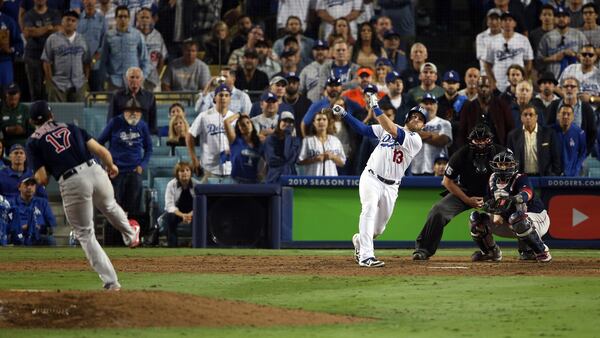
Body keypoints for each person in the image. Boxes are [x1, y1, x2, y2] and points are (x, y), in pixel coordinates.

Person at [26, 100, 140, 291]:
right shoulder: (71, 127)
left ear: (31, 121)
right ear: (51, 115)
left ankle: (112, 282)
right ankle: (130, 233)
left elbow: (43, 178)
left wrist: (39, 175)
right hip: (95, 170)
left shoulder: (33, 141)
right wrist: (111, 166)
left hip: (71, 180)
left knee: (86, 234)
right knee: (109, 205)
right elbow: (102, 151)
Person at [336, 92, 425, 267]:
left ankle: (360, 241)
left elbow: (392, 130)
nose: (416, 119)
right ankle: (366, 256)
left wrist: (375, 107)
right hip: (371, 177)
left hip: (392, 186)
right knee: (368, 209)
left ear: (423, 125)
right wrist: (345, 115)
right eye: (414, 116)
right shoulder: (389, 127)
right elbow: (364, 130)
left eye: (420, 119)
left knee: (378, 229)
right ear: (407, 118)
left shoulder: (416, 140)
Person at [413, 124, 504, 260]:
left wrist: (500, 201)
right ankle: (423, 250)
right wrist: (467, 199)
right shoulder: (462, 154)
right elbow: (447, 181)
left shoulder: (501, 152)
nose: (480, 143)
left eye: (484, 140)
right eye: (477, 140)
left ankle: (528, 249)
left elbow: (512, 178)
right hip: (465, 193)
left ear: (490, 140)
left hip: (493, 194)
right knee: (438, 210)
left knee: (517, 214)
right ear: (471, 140)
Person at [469, 150, 552, 262]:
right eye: (500, 164)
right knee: (476, 219)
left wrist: (512, 199)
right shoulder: (492, 179)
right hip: (509, 221)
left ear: (513, 165)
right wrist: (491, 209)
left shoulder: (520, 178)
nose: (503, 168)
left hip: (536, 219)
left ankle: (542, 251)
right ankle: (491, 252)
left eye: (506, 164)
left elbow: (527, 193)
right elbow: (490, 201)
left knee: (517, 218)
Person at [98, 97, 153, 219]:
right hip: (116, 172)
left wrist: (142, 165)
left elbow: (149, 149)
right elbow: (99, 143)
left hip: (134, 172)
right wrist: (106, 164)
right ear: (124, 112)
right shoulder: (115, 122)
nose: (134, 114)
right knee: (115, 207)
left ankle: (132, 234)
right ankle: (114, 235)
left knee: (134, 208)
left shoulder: (143, 126)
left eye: (137, 111)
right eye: (130, 111)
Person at [186, 84, 235, 184]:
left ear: (230, 98)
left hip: (231, 169)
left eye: (226, 95)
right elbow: (190, 135)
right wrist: (194, 159)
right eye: (221, 95)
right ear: (215, 98)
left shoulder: (234, 117)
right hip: (209, 169)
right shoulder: (204, 116)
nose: (224, 98)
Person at [41, 10, 90, 102]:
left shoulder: (82, 39)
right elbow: (46, 61)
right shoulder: (53, 39)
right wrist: (50, 81)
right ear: (62, 21)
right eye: (68, 20)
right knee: (59, 114)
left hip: (78, 84)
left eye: (73, 20)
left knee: (77, 115)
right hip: (58, 84)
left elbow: (86, 62)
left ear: (77, 24)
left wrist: (85, 80)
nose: (70, 22)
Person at [101, 5, 150, 89]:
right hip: (114, 82)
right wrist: (107, 77)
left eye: (125, 16)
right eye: (120, 16)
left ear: (129, 18)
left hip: (134, 83)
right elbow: (103, 60)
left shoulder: (137, 35)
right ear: (115, 18)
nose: (123, 19)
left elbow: (145, 59)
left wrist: (142, 77)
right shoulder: (109, 36)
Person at [483, 12, 533, 92]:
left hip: (519, 84)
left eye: (510, 20)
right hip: (499, 84)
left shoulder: (523, 40)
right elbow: (487, 64)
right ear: (501, 23)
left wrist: (525, 79)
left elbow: (529, 62)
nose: (507, 22)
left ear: (515, 23)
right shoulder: (493, 41)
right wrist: (492, 81)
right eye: (505, 20)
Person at [458, 76, 514, 147]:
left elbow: (510, 128)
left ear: (491, 88)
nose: (484, 89)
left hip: (497, 148)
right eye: (481, 86)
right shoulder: (468, 107)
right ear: (476, 88)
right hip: (475, 149)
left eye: (487, 86)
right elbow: (462, 131)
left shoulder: (502, 105)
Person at [507, 105, 562, 176]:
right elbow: (509, 158)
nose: (528, 117)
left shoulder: (548, 134)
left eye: (531, 114)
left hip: (544, 177)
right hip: (522, 177)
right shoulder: (513, 135)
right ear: (521, 117)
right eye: (525, 114)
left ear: (536, 117)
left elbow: (556, 157)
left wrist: (554, 174)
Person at [22, 0, 61, 100]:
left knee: (52, 91)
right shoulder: (28, 14)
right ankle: (36, 114)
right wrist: (48, 28)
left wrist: (36, 30)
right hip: (33, 57)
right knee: (35, 92)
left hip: (51, 58)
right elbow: (28, 33)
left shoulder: (54, 13)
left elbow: (58, 30)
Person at [536, 5, 588, 79]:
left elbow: (589, 55)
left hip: (577, 77)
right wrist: (553, 58)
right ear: (554, 19)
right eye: (558, 17)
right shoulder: (547, 37)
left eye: (564, 16)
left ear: (569, 19)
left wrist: (575, 54)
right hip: (553, 78)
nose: (561, 19)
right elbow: (539, 59)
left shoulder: (579, 35)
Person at [160, 162, 200, 247]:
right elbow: (169, 206)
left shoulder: (197, 185)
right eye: (182, 171)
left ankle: (196, 244)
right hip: (177, 213)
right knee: (169, 217)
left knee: (199, 216)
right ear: (177, 173)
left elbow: (200, 204)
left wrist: (190, 214)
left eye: (187, 170)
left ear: (190, 172)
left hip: (193, 212)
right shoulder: (171, 185)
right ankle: (172, 245)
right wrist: (183, 215)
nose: (185, 172)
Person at [107, 66, 157, 133]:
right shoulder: (117, 96)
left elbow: (153, 123)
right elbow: (111, 120)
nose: (134, 80)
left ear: (141, 79)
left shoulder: (150, 97)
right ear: (127, 79)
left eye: (137, 77)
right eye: (132, 77)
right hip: (122, 136)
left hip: (143, 137)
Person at [8, 176, 57, 246]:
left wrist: (39, 227)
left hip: (38, 235)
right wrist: (22, 228)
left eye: (32, 185)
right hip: (17, 235)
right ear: (19, 187)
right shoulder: (11, 203)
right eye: (26, 184)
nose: (29, 187)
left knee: (50, 240)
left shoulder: (43, 202)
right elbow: (6, 223)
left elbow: (52, 222)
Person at [411, 93, 452, 176]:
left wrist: (418, 135)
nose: (428, 106)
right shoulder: (411, 123)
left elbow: (442, 141)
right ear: (420, 105)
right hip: (416, 168)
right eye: (425, 104)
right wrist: (433, 135)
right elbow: (409, 139)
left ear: (437, 106)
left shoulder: (445, 123)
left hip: (438, 169)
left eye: (431, 103)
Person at [298, 108, 346, 176]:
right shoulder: (307, 141)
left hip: (331, 181)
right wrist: (314, 159)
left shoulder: (335, 141)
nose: (321, 122)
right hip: (313, 180)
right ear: (314, 123)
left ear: (327, 122)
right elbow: (299, 161)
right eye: (318, 119)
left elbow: (342, 162)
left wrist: (332, 157)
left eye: (324, 119)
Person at [223, 112, 262, 183]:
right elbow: (226, 122)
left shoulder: (259, 143)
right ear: (239, 128)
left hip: (254, 182)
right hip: (236, 181)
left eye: (248, 122)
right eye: (242, 125)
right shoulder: (234, 140)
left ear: (252, 125)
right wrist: (240, 114)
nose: (246, 125)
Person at [263, 111, 301, 183]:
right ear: (279, 122)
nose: (287, 124)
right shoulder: (270, 139)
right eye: (285, 121)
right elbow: (271, 160)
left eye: (290, 122)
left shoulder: (296, 140)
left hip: (291, 178)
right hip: (274, 178)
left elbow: (292, 159)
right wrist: (286, 163)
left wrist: (288, 135)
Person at [77, 0, 107, 92]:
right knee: (80, 94)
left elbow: (104, 41)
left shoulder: (102, 19)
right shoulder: (77, 19)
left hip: (96, 64)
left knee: (97, 93)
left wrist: (94, 59)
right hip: (79, 64)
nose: (89, 2)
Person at [136, 7, 167, 92]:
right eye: (142, 17)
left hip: (153, 78)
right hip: (136, 78)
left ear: (151, 20)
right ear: (137, 19)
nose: (144, 20)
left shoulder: (158, 36)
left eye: (147, 17)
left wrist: (157, 74)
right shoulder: (132, 34)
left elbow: (162, 58)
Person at [552, 105, 586, 176]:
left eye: (568, 114)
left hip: (572, 175)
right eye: (563, 113)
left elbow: (582, 153)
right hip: (553, 175)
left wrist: (577, 168)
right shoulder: (550, 131)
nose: (565, 116)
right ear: (558, 115)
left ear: (573, 117)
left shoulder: (579, 133)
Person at [0, 83, 31, 152]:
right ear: (6, 95)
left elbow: (32, 130)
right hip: (5, 144)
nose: (13, 96)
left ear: (19, 94)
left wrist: (23, 130)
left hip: (23, 144)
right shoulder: (1, 109)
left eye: (15, 93)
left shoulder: (25, 109)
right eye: (10, 94)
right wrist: (5, 130)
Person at [0, 0, 23, 88]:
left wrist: (11, 50)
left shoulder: (9, 21)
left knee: (6, 92)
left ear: (1, 3)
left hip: (4, 62)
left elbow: (19, 44)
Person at [476, 8, 502, 77]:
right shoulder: (481, 37)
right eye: (491, 19)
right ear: (487, 21)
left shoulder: (507, 36)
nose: (494, 22)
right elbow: (482, 57)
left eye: (497, 19)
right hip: (486, 75)